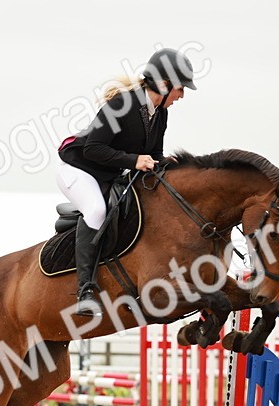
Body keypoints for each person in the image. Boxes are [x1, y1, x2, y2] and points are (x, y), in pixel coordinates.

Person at [56, 47, 198, 317]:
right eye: (181, 89)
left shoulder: (160, 113)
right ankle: (85, 291)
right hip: (77, 169)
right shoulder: (121, 105)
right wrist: (134, 161)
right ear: (164, 84)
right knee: (97, 210)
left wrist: (168, 165)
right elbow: (93, 149)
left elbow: (153, 155)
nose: (181, 96)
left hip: (109, 173)